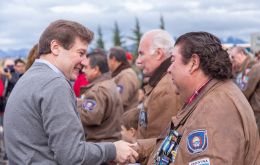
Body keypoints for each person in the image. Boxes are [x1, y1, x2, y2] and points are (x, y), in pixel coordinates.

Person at [4, 19, 138, 164]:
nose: (85, 61)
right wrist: (113, 150)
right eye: (81, 53)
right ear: (55, 48)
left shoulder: (29, 78)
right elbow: (72, 155)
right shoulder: (55, 84)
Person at [137, 32, 260, 165]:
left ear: (193, 63)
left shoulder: (217, 108)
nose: (169, 69)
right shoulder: (205, 95)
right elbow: (176, 142)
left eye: (173, 61)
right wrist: (137, 149)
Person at [135, 29, 181, 139]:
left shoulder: (165, 88)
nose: (138, 61)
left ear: (159, 54)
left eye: (141, 54)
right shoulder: (161, 82)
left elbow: (157, 143)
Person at [78, 52, 123, 142]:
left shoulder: (97, 90)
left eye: (86, 67)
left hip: (99, 144)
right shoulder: (109, 84)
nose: (83, 71)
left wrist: (75, 105)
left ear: (96, 69)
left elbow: (90, 117)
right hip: (110, 142)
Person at [107, 46, 140, 111]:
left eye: (108, 59)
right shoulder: (123, 73)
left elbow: (119, 102)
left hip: (124, 119)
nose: (107, 62)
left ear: (113, 59)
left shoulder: (126, 76)